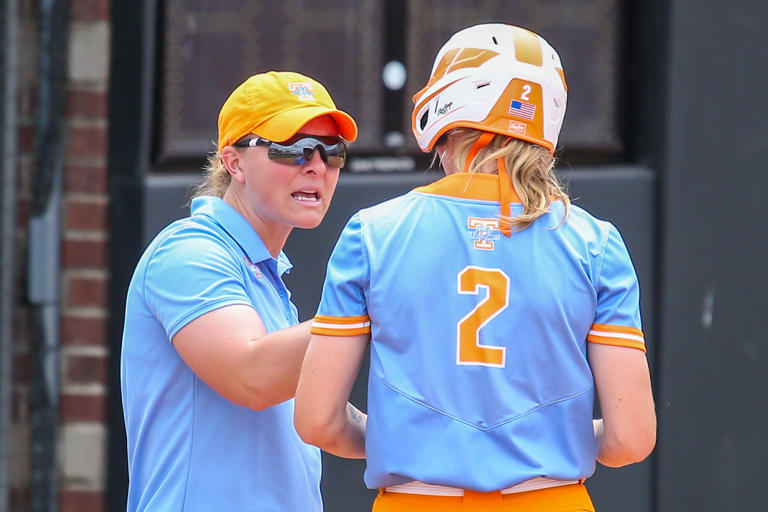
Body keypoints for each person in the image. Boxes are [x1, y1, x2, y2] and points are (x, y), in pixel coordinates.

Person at [295, 24, 656, 511]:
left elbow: (318, 421)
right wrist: (550, 439)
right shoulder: (596, 243)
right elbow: (630, 439)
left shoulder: (372, 232)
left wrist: (406, 439)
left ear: (449, 108)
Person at [121, 71, 357, 511]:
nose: (316, 165)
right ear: (233, 163)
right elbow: (251, 376)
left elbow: (325, 422)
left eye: (332, 151)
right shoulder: (189, 251)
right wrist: (374, 308)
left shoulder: (263, 275)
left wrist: (415, 434)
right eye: (293, 148)